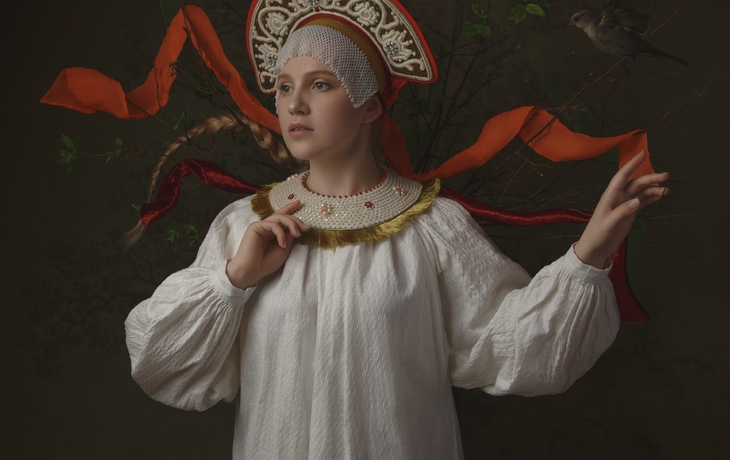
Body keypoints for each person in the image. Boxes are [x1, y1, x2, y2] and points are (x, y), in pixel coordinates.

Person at [120, 1, 668, 458]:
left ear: (370, 105)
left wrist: (588, 254)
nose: (295, 104)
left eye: (320, 84)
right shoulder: (246, 224)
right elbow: (160, 361)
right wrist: (233, 280)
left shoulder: (433, 228)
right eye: (284, 88)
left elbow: (512, 348)